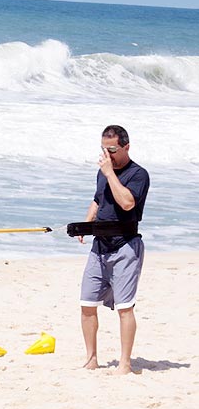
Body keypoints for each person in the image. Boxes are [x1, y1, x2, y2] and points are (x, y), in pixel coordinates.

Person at [78, 125, 150, 375]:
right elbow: (98, 199)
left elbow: (127, 203)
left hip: (125, 247)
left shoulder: (138, 174)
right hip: (100, 247)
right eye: (103, 149)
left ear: (126, 147)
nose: (107, 155)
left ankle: (125, 364)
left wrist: (110, 174)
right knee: (87, 304)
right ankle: (91, 358)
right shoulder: (103, 173)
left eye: (112, 149)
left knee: (124, 307)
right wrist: (86, 224)